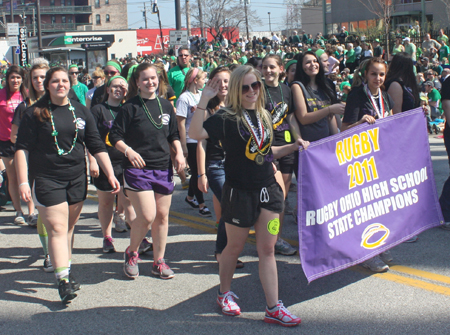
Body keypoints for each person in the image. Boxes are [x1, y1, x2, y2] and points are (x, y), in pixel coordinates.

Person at [189, 65, 306, 327]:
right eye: (245, 87)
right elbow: (195, 134)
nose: (252, 91)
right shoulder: (226, 117)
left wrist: (293, 146)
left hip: (269, 192)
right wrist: (204, 100)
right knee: (234, 247)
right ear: (235, 90)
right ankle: (224, 293)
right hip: (239, 193)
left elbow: (266, 153)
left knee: (266, 249)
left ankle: (273, 307)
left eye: (256, 86)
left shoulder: (264, 114)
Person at [15, 67, 120, 303]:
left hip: (76, 178)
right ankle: (62, 279)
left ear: (70, 84)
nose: (61, 84)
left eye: (64, 80)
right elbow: (21, 149)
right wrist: (23, 181)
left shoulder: (81, 111)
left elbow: (96, 145)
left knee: (69, 229)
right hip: (46, 178)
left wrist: (110, 174)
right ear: (46, 85)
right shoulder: (35, 113)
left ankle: (66, 269)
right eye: (55, 81)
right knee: (58, 229)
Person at [108, 63, 185, 280]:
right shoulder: (129, 107)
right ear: (137, 82)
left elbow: (173, 135)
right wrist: (129, 151)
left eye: (154, 78)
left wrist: (178, 153)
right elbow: (115, 137)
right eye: (145, 79)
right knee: (148, 215)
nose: (150, 82)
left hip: (162, 167)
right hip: (137, 169)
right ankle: (132, 253)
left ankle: (158, 262)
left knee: (162, 216)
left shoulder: (166, 106)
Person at [341, 57, 394, 272]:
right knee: (366, 208)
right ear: (366, 75)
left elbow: (389, 121)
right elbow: (344, 129)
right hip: (362, 161)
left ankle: (379, 245)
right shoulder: (356, 95)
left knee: (380, 205)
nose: (378, 78)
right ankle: (366, 253)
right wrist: (360, 122)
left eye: (381, 74)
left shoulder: (385, 96)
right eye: (374, 74)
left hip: (381, 158)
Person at [89, 76, 136, 253]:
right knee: (106, 202)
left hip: (125, 163)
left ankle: (139, 239)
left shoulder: (129, 109)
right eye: (115, 86)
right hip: (105, 163)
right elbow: (91, 138)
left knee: (129, 201)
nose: (119, 90)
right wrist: (92, 160)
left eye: (122, 87)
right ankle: (107, 237)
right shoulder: (98, 110)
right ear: (107, 89)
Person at [10, 59, 50, 269]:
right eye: (35, 78)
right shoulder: (24, 107)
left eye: (43, 76)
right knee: (44, 212)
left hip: (61, 165)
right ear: (30, 81)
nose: (39, 81)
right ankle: (48, 253)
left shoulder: (62, 101)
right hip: (36, 166)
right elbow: (14, 136)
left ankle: (59, 250)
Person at [262, 54, 297, 256]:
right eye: (265, 67)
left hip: (287, 146)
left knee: (281, 199)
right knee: (271, 198)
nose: (268, 71)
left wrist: (296, 139)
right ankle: (266, 237)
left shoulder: (286, 90)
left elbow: (291, 116)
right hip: (267, 149)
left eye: (272, 67)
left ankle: (277, 238)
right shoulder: (257, 90)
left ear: (280, 69)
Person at [176, 67, 211, 216]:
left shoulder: (203, 95)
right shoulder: (184, 98)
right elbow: (181, 124)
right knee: (197, 172)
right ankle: (202, 204)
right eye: (203, 79)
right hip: (191, 140)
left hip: (203, 139)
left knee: (201, 170)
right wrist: (183, 146)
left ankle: (190, 197)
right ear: (196, 81)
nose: (205, 81)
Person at [0, 65, 30, 225]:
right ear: (7, 79)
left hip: (25, 142)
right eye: (12, 77)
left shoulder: (26, 95)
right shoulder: (1, 95)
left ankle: (32, 211)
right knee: (13, 177)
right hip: (5, 141)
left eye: (18, 77)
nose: (15, 80)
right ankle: (19, 211)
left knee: (28, 176)